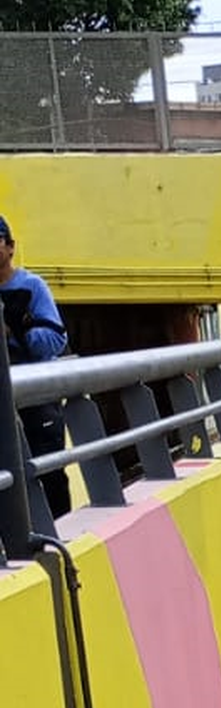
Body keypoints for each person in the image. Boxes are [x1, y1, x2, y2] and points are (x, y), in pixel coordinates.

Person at [0, 214, 72, 517]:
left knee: (47, 468)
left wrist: (18, 329)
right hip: (4, 399)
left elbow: (56, 338)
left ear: (10, 247)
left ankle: (60, 529)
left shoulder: (32, 286)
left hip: (37, 397)